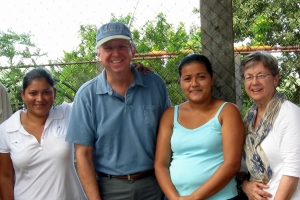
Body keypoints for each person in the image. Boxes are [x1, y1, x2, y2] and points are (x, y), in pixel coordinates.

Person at [65, 22, 171, 200]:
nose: (116, 53)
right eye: (108, 48)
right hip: (109, 188)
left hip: (153, 184)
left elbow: (169, 135)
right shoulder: (87, 95)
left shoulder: (154, 84)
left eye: (122, 46)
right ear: (99, 54)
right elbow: (83, 154)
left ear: (133, 51)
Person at [154, 53, 245, 200]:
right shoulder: (170, 115)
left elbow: (232, 164)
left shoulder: (227, 112)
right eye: (187, 79)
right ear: (180, 82)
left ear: (212, 80)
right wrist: (173, 198)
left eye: (201, 77)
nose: (194, 84)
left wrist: (195, 197)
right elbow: (160, 164)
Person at [0, 68, 86, 200]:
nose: (40, 99)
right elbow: (5, 176)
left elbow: (94, 99)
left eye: (46, 92)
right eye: (33, 93)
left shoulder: (67, 114)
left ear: (54, 93)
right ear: (23, 94)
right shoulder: (7, 129)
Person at [238, 51, 300, 200]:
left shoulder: (289, 113)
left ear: (275, 79)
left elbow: (293, 171)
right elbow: (244, 166)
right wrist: (245, 184)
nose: (254, 82)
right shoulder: (249, 118)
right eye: (249, 77)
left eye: (261, 75)